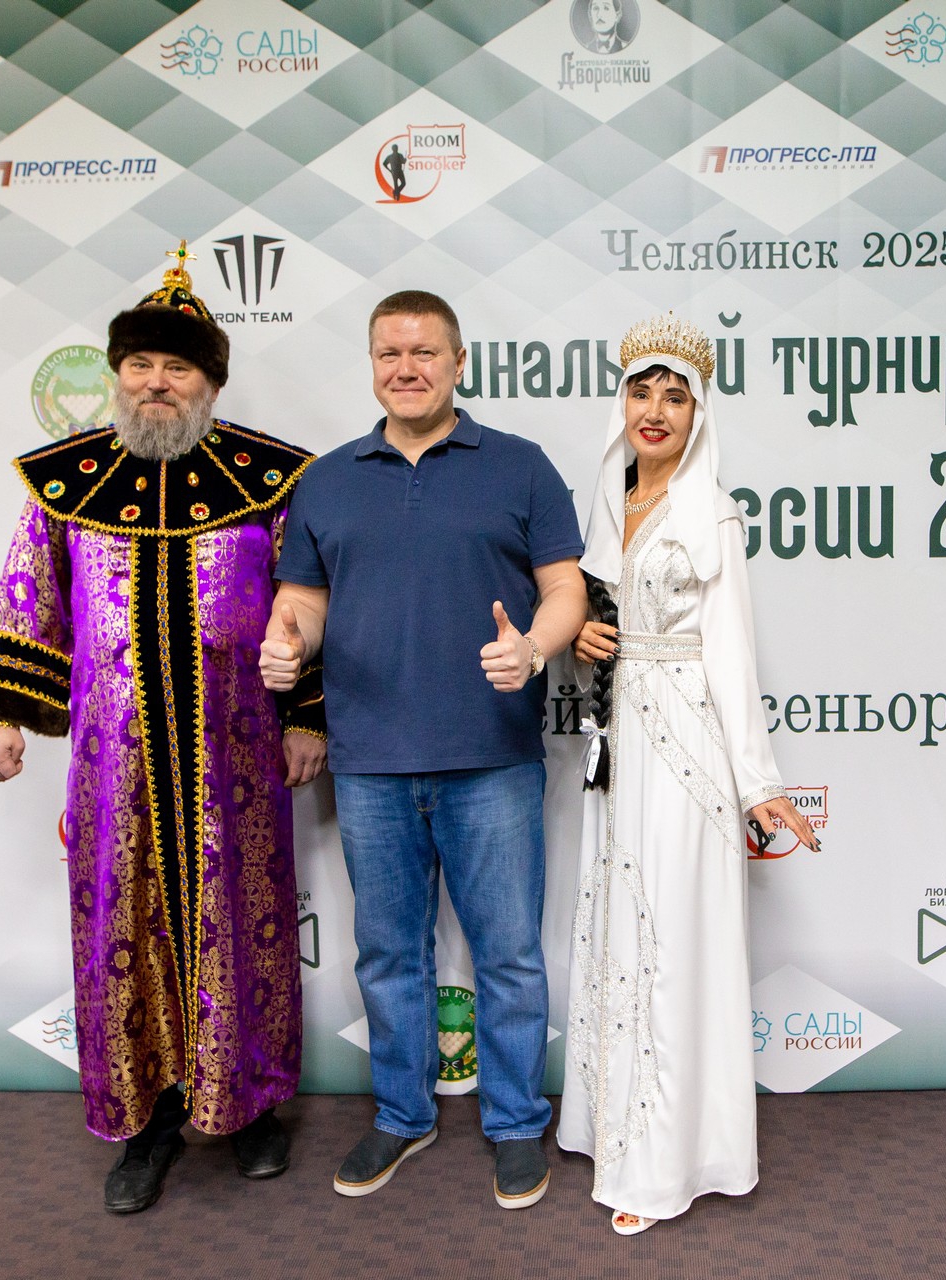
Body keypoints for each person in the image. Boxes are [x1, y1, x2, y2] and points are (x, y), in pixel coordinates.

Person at [0, 243, 326, 1215]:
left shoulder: (268, 482)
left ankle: (249, 1107)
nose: (157, 381)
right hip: (111, 772)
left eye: (179, 367)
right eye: (141, 365)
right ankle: (149, 1121)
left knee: (242, 924)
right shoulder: (65, 484)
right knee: (124, 930)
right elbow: (27, 602)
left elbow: (305, 606)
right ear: (117, 375)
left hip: (237, 762)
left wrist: (307, 718)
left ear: (211, 382)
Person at [260, 290, 586, 1211]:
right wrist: (290, 643)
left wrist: (534, 649)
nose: (406, 368)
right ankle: (402, 1116)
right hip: (369, 760)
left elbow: (565, 589)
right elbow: (305, 601)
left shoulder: (520, 465)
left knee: (509, 955)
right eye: (388, 353)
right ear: (372, 364)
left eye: (424, 352)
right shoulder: (327, 479)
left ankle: (515, 1124)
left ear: (458, 362)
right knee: (387, 954)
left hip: (492, 756)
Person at [558, 313, 819, 1236]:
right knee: (620, 931)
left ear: (698, 414)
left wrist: (759, 783)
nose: (656, 410)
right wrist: (585, 639)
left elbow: (732, 656)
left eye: (676, 396)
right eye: (642, 391)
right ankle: (614, 1128)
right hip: (617, 743)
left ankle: (661, 1167)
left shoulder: (713, 511)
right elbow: (596, 613)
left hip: (684, 748)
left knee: (668, 942)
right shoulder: (608, 500)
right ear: (622, 402)